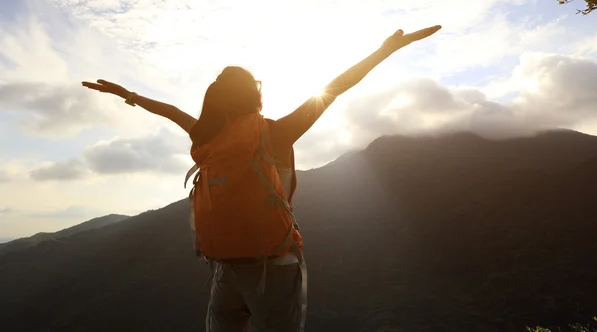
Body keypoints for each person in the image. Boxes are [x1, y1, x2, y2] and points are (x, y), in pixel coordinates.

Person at [82, 25, 441, 332]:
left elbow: (171, 111)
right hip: (274, 269)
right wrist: (384, 51)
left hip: (225, 267)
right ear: (253, 95)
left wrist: (127, 95)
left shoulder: (205, 139)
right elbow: (336, 87)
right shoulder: (276, 134)